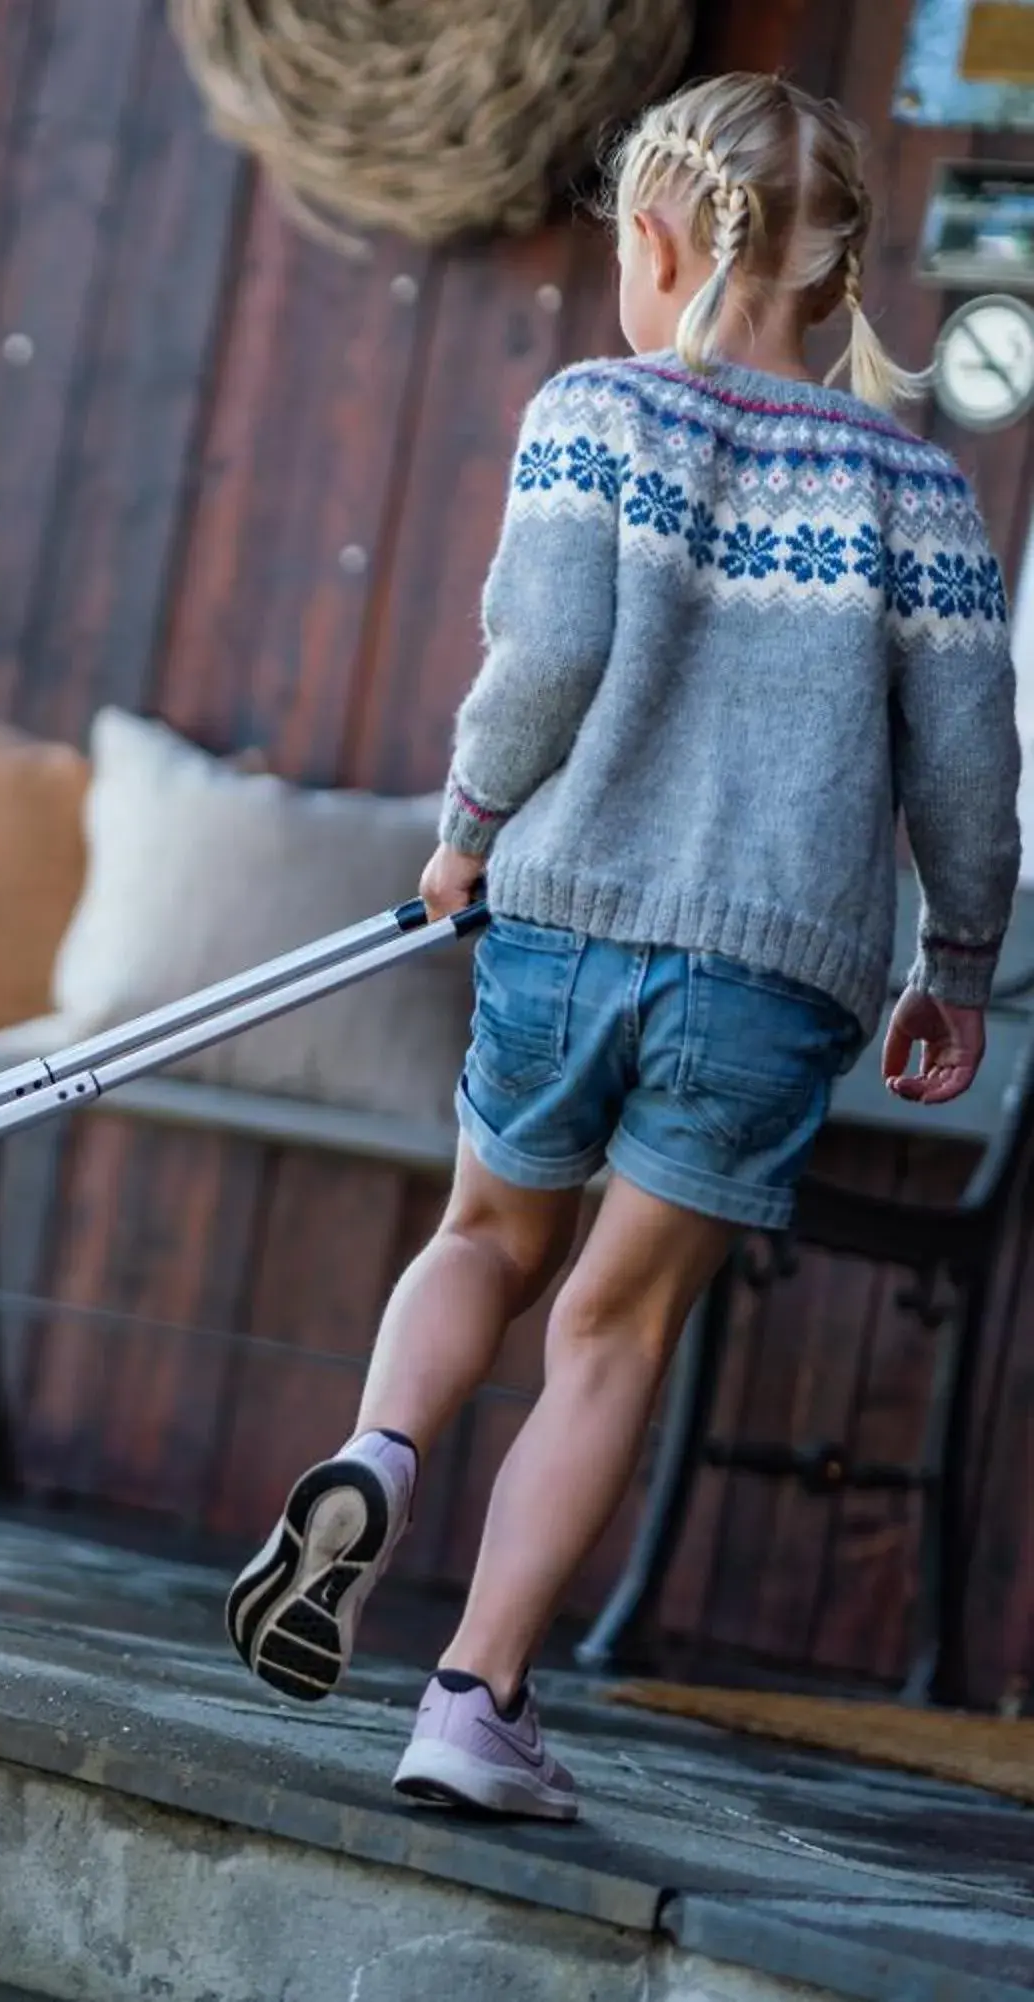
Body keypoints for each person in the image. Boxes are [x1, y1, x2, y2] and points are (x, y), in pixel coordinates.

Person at [224, 73, 1019, 1821]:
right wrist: (956, 958)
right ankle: (471, 1700)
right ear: (841, 273)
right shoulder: (919, 489)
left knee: (485, 1234)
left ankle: (378, 1454)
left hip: (564, 920)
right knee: (611, 1327)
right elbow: (971, 761)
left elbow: (546, 653)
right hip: (773, 975)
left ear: (654, 243)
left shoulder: (594, 412)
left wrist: (466, 827)